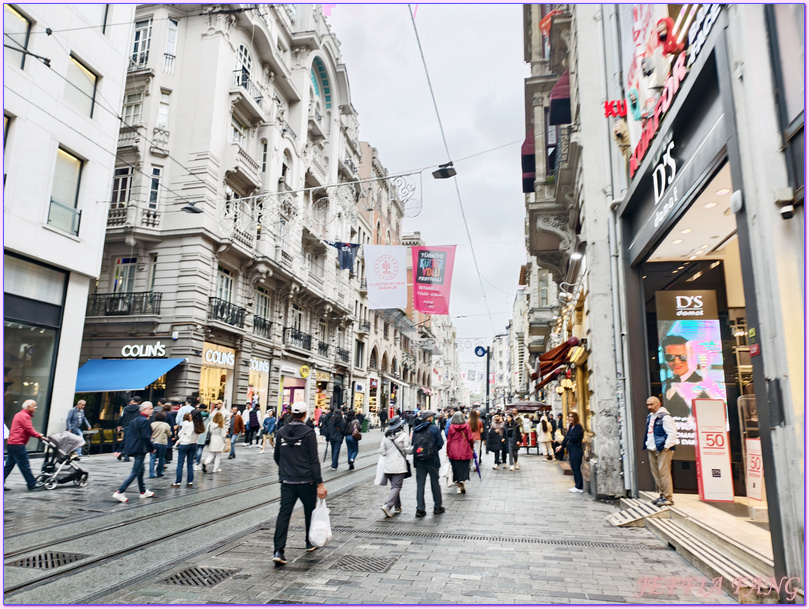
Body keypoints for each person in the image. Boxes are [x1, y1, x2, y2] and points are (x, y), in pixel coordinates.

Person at [272, 401, 328, 566]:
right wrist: (320, 484)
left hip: (287, 481)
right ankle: (309, 542)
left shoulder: (281, 432)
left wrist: (285, 469)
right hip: (306, 481)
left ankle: (278, 550)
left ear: (291, 414)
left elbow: (277, 456)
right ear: (304, 414)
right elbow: (313, 460)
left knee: (284, 514)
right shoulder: (308, 433)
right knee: (310, 511)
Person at [112, 402, 156, 502]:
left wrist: (121, 449)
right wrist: (151, 448)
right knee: (135, 471)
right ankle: (120, 491)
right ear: (144, 409)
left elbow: (127, 435)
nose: (152, 410)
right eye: (150, 408)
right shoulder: (145, 421)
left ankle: (143, 491)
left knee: (141, 470)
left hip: (133, 447)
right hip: (140, 448)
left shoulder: (134, 420)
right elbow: (146, 437)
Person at [4, 400, 46, 491]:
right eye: (34, 406)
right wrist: (39, 435)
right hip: (17, 444)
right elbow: (28, 429)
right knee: (24, 465)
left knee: (9, 465)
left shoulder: (19, 414)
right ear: (28, 407)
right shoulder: (25, 416)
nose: (36, 407)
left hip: (12, 443)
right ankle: (31, 483)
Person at [645, 396, 678, 506]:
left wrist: (666, 447)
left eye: (651, 404)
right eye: (648, 405)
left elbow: (672, 433)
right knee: (656, 473)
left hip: (662, 448)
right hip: (652, 447)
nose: (649, 407)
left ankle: (668, 497)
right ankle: (662, 495)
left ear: (658, 404)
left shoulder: (665, 417)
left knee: (663, 473)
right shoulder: (650, 416)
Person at [411, 410, 445, 517]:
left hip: (419, 460)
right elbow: (440, 443)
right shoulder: (434, 428)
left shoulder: (416, 429)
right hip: (432, 459)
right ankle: (437, 506)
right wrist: (432, 450)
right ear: (430, 418)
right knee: (435, 482)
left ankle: (420, 509)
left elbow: (413, 444)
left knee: (420, 484)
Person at [379, 415, 411, 517]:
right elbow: (408, 450)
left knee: (394, 487)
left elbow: (382, 451)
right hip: (399, 465)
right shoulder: (404, 436)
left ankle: (398, 507)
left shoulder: (385, 436)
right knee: (396, 487)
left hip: (388, 466)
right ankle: (388, 506)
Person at [172, 411, 203, 487]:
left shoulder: (187, 424)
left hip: (185, 444)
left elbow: (180, 434)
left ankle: (178, 482)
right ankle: (190, 481)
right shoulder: (199, 425)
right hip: (193, 444)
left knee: (180, 463)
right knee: (190, 463)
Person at [556, 412, 585, 493]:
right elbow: (566, 438)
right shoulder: (571, 426)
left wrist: (568, 437)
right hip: (572, 450)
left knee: (576, 468)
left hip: (577, 450)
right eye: (569, 416)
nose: (570, 418)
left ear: (575, 418)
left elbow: (574, 438)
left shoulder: (578, 427)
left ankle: (579, 487)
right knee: (574, 467)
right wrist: (561, 445)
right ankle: (578, 486)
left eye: (572, 417)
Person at [446, 411, 474, 494]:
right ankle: (463, 481)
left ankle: (458, 486)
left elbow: (449, 440)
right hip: (465, 448)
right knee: (465, 467)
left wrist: (447, 451)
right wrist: (471, 447)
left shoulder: (451, 427)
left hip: (454, 449)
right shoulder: (467, 426)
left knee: (456, 468)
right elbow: (470, 438)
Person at [116, 397, 142, 461]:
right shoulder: (140, 408)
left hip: (126, 425)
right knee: (135, 440)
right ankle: (125, 454)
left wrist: (119, 424)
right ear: (139, 402)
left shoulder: (125, 408)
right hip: (136, 425)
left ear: (133, 401)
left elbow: (121, 417)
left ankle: (125, 454)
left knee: (127, 440)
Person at [149, 411, 172, 478]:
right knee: (161, 458)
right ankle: (160, 472)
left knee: (152, 458)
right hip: (162, 443)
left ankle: (152, 473)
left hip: (153, 443)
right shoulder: (166, 425)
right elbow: (169, 434)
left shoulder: (152, 424)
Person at [324, 406, 346, 471]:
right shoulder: (341, 421)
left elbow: (328, 429)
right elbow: (343, 430)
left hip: (332, 437)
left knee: (333, 450)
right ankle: (334, 465)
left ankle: (333, 464)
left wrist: (327, 438)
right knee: (336, 451)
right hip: (338, 437)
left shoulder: (331, 420)